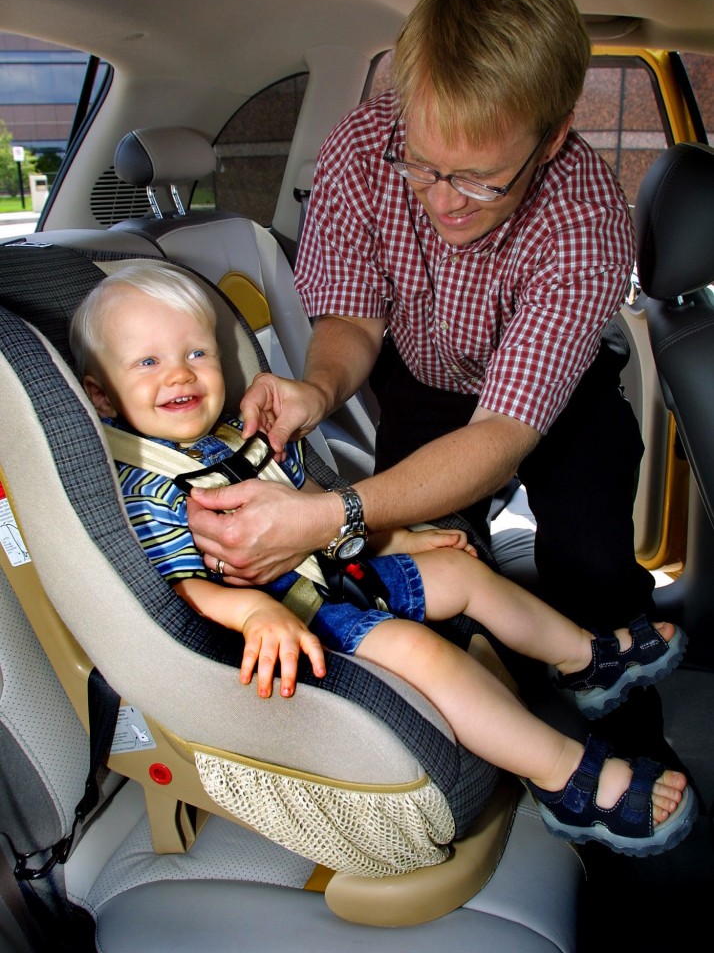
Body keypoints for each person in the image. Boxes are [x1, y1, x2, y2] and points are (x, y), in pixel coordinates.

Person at [187, 0, 676, 761]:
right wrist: (317, 387)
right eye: (424, 164)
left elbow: (501, 436)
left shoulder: (587, 217)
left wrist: (334, 512)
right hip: (421, 379)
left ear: (552, 139)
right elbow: (352, 317)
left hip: (551, 401)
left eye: (480, 180)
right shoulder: (360, 146)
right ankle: (473, 740)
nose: (443, 200)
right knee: (426, 556)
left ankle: (634, 739)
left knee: (591, 566)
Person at [68, 264, 697, 857]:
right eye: (148, 362)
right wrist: (256, 613)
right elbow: (181, 587)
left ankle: (583, 659)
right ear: (101, 393)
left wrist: (397, 541)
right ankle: (568, 782)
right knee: (422, 652)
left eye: (195, 353)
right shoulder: (151, 489)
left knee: (464, 572)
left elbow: (312, 513)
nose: (179, 375)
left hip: (334, 577)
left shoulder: (239, 438)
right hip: (298, 622)